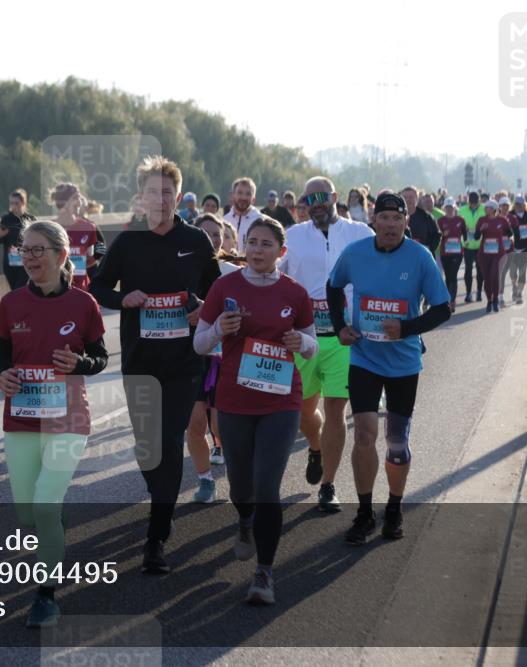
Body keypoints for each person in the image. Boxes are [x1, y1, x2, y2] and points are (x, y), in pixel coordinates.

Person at [91, 155, 220, 574]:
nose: (160, 199)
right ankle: (161, 505)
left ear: (178, 197)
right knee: (149, 449)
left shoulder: (197, 241)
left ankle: (156, 538)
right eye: (152, 192)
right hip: (140, 361)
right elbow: (97, 288)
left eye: (167, 192)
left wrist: (202, 309)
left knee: (167, 443)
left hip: (184, 363)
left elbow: (217, 292)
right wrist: (121, 298)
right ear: (141, 198)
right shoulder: (128, 243)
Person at [194, 217, 317, 604]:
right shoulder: (223, 287)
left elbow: (312, 342)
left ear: (281, 252)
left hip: (280, 401)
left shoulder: (295, 294)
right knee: (241, 486)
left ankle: (264, 573)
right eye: (252, 242)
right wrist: (219, 331)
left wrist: (301, 342)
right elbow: (199, 343)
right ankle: (244, 520)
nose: (258, 250)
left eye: (266, 244)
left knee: (267, 487)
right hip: (233, 401)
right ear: (243, 247)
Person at [0, 220, 108, 627]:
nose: (29, 257)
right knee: (30, 511)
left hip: (68, 419)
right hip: (22, 418)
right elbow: (2, 355)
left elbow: (100, 358)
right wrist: (1, 376)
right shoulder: (10, 305)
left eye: (38, 250)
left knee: (44, 500)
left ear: (62, 256)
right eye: (24, 250)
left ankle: (46, 594)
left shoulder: (83, 304)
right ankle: (53, 525)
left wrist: (81, 363)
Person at [327, 192, 451, 545]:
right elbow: (333, 287)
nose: (391, 225)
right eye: (384, 218)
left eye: (398, 219)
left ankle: (393, 509)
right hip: (364, 357)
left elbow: (443, 309)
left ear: (405, 223)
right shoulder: (356, 253)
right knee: (363, 433)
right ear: (374, 221)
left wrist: (407, 328)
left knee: (396, 443)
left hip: (403, 362)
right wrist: (340, 328)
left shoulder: (420, 257)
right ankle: (365, 513)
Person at [281, 176, 374, 512]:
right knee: (304, 412)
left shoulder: (361, 234)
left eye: (321, 196)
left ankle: (328, 485)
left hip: (345, 338)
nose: (315, 203)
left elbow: (379, 274)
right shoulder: (292, 236)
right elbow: (273, 277)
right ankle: (315, 447)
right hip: (303, 337)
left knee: (336, 409)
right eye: (309, 199)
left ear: (334, 196)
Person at [187, 213, 238, 500]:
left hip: (226, 356)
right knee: (195, 423)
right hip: (192, 354)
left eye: (216, 234)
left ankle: (240, 475)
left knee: (221, 425)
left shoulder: (232, 271)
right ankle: (205, 480)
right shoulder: (183, 269)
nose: (212, 239)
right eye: (205, 233)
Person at [50, 183, 106, 292]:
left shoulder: (89, 227)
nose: (80, 202)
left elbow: (94, 254)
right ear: (63, 202)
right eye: (75, 198)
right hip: (55, 290)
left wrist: (81, 266)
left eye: (80, 197)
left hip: (81, 289)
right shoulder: (49, 228)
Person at [474, 200, 515, 313]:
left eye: (487, 207)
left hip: (498, 253)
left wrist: (506, 235)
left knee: (494, 275)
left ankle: (496, 300)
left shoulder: (501, 220)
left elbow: (510, 233)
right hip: (484, 254)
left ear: (493, 209)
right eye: (485, 207)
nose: (485, 209)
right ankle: (489, 301)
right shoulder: (482, 220)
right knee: (487, 278)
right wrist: (481, 229)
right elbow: (476, 237)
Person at [0, 188, 37, 290]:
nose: (13, 205)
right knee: (14, 289)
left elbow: (37, 239)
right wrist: (0, 235)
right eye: (11, 203)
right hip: (10, 262)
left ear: (23, 203)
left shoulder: (30, 219)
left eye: (16, 203)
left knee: (20, 288)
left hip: (26, 261)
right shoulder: (6, 219)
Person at [436, 197, 468, 311]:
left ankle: (452, 301)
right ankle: (448, 299)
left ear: (454, 208)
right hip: (445, 253)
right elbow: (437, 236)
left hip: (457, 253)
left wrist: (466, 242)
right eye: (447, 207)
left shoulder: (460, 220)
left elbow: (465, 233)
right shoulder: (441, 221)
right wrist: (443, 234)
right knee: (448, 277)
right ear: (445, 208)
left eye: (451, 207)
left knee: (453, 276)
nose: (449, 209)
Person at [507, 195, 527, 305]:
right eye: (516, 204)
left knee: (522, 272)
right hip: (513, 248)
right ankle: (514, 287)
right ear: (514, 205)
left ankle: (519, 293)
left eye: (520, 204)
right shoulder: (510, 216)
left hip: (526, 247)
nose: (518, 206)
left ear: (524, 205)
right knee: (513, 273)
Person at [458, 191, 487, 301]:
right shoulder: (462, 210)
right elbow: (458, 225)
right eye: (471, 203)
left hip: (480, 244)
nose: (473, 205)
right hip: (468, 245)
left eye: (475, 203)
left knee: (480, 271)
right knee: (468, 270)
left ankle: (479, 292)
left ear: (479, 201)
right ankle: (468, 293)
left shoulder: (484, 209)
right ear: (468, 201)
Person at [224, 177, 263, 250]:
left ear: (253, 199)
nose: (243, 197)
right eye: (240, 192)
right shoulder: (224, 221)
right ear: (232, 195)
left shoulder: (260, 221)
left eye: (248, 194)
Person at [401, 187, 441, 254]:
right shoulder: (396, 217)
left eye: (411, 197)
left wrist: (429, 249)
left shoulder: (427, 217)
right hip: (403, 255)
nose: (408, 200)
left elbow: (437, 235)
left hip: (423, 256)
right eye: (405, 197)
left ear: (417, 198)